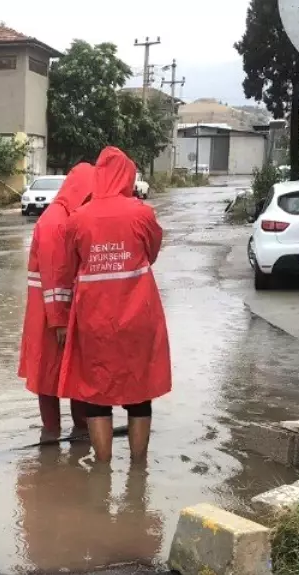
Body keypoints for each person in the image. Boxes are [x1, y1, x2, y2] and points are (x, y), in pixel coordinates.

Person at [59, 147, 171, 464]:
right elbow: (151, 253)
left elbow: (70, 267)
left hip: (95, 319)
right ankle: (138, 469)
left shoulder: (78, 219)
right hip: (139, 314)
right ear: (128, 176)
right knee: (139, 393)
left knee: (96, 394)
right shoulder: (142, 214)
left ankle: (103, 467)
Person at [18, 163, 95, 439]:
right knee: (48, 377)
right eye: (91, 194)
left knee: (70, 374)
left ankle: (78, 433)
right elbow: (54, 276)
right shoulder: (55, 222)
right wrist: (60, 320)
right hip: (52, 316)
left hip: (56, 312)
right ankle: (53, 435)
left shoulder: (66, 217)